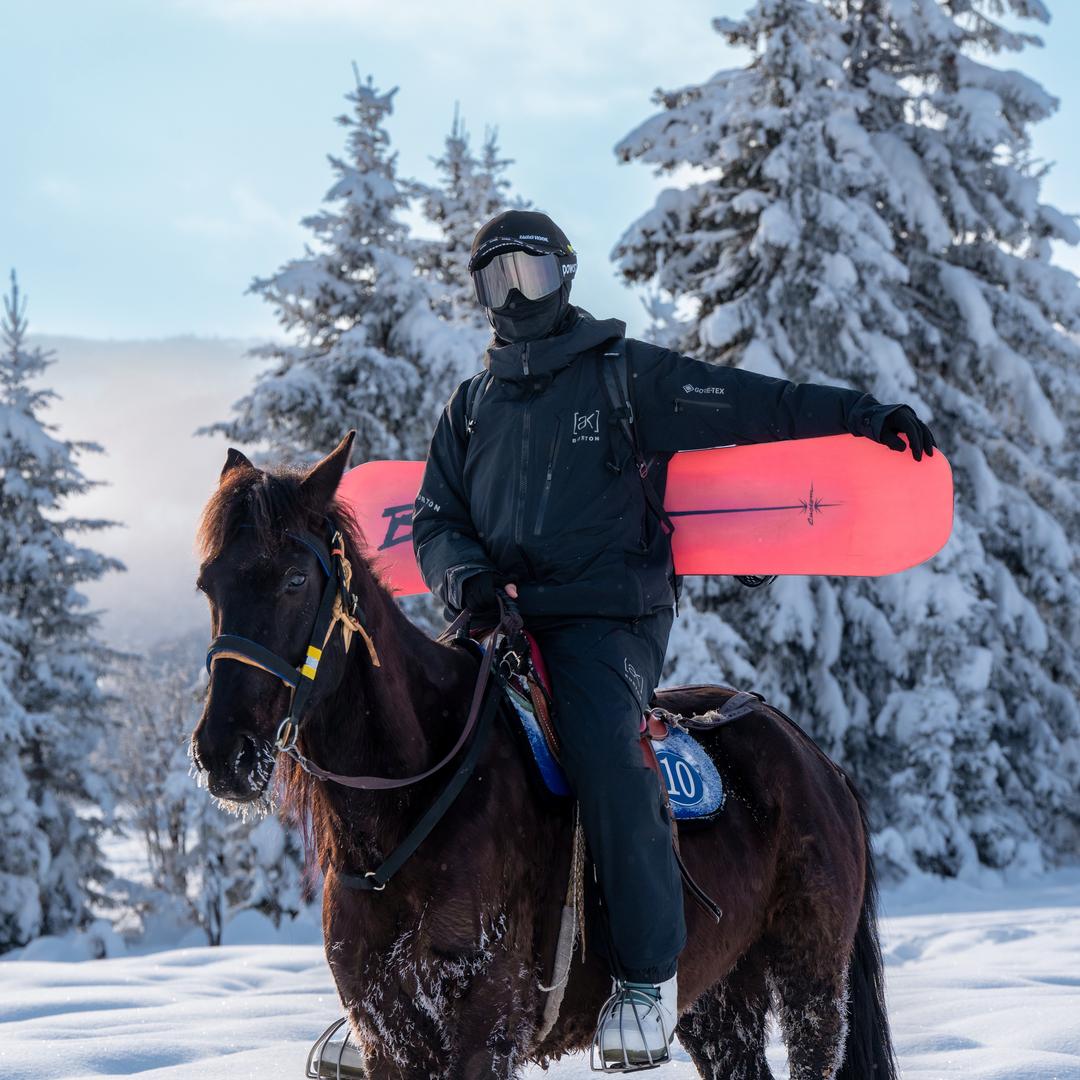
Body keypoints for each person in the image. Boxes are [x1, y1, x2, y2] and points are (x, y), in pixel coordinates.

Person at [411, 209, 936, 1067]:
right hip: (497, 623)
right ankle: (400, 985)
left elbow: (749, 403)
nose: (514, 295)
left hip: (608, 622)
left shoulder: (619, 377)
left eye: (530, 275)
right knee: (424, 744)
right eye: (495, 279)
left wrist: (859, 417)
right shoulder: (470, 409)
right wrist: (464, 577)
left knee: (600, 745)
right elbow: (435, 517)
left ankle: (649, 976)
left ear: (565, 278)